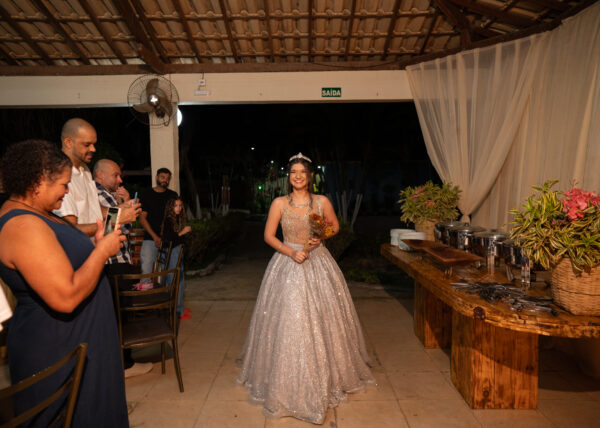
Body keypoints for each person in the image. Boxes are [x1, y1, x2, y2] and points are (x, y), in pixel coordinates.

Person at [236, 152, 375, 424]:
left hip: (318, 262)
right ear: (288, 177)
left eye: (302, 172)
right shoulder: (279, 203)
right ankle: (286, 379)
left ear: (310, 176)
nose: (298, 176)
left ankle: (324, 373)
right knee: (289, 321)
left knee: (323, 320)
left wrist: (321, 237)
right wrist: (291, 252)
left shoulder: (322, 201)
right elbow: (268, 236)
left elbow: (334, 226)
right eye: (293, 172)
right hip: (287, 262)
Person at [0, 140, 129, 427]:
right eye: (63, 184)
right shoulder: (22, 226)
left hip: (82, 336)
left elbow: (63, 261)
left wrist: (96, 243)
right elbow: (66, 297)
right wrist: (101, 252)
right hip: (58, 344)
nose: (68, 191)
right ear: (38, 182)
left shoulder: (40, 214)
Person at [93, 158, 154, 378]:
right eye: (115, 175)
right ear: (100, 175)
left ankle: (124, 361)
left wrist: (125, 204)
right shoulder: (97, 194)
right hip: (111, 263)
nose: (120, 180)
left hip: (119, 261)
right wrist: (123, 208)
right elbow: (108, 229)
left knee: (123, 313)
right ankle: (123, 364)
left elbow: (124, 225)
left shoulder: (109, 195)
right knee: (119, 315)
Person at [53, 118, 140, 236]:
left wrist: (121, 209)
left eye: (94, 144)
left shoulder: (85, 170)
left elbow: (97, 210)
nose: (93, 149)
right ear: (68, 142)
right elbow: (70, 231)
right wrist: (117, 220)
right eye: (87, 144)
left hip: (94, 245)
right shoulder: (59, 174)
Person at [139, 168, 178, 278]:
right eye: (162, 177)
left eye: (167, 178)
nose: (165, 180)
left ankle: (168, 290)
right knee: (146, 270)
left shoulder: (173, 195)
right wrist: (155, 237)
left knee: (171, 273)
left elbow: (177, 217)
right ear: (156, 177)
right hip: (150, 238)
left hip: (169, 239)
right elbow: (142, 219)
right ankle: (145, 289)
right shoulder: (146, 194)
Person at [160, 197, 192, 320]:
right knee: (173, 280)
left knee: (180, 279)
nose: (179, 208)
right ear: (170, 207)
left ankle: (179, 308)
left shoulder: (176, 219)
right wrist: (183, 232)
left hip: (177, 251)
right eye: (176, 206)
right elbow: (170, 239)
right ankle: (174, 311)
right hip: (172, 252)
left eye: (180, 205)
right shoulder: (168, 220)